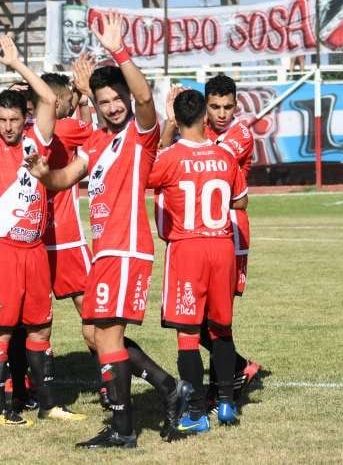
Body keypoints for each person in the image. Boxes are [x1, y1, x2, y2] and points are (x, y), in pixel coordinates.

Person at [25, 10, 188, 449]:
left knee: (107, 335)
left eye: (118, 98)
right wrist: (43, 173)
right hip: (105, 253)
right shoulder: (97, 142)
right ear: (95, 106)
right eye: (105, 101)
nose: (114, 105)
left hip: (127, 249)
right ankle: (167, 389)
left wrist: (119, 50)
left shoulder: (139, 135)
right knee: (97, 335)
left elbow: (145, 97)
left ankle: (124, 427)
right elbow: (65, 178)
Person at [0, 20, 84, 427]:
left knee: (40, 328)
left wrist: (18, 64)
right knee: (1, 330)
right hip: (2, 251)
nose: (7, 127)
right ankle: (1, 410)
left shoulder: (38, 140)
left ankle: (49, 403)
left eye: (13, 120)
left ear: (25, 118)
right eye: (1, 120)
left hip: (35, 250)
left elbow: (50, 100)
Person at [148, 89, 248, 433]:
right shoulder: (224, 155)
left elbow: (146, 173)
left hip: (187, 248)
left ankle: (195, 413)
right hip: (222, 247)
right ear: (206, 117)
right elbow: (241, 201)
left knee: (188, 333)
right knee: (221, 328)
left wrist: (166, 127)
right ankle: (226, 403)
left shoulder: (170, 157)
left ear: (177, 119)